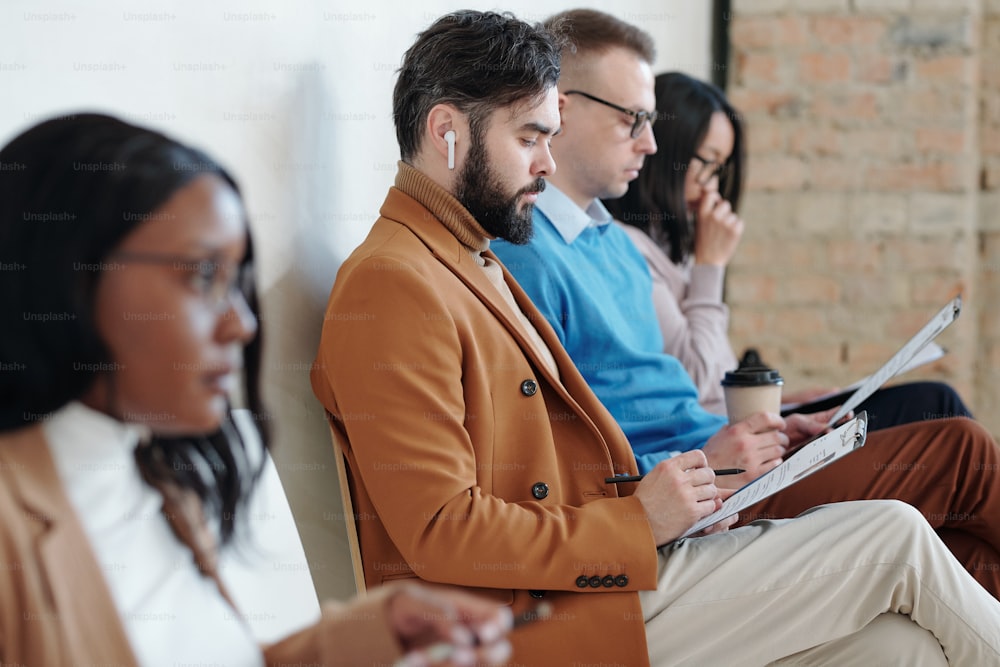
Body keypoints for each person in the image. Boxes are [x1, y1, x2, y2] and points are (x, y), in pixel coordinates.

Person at [310, 9, 1000, 666]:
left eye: (550, 137)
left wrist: (682, 505)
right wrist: (640, 520)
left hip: (592, 575)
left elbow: (546, 476)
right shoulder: (394, 282)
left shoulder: (469, 259)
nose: (547, 163)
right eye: (529, 137)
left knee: (899, 649)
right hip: (529, 622)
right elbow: (441, 529)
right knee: (896, 536)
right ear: (446, 131)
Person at [489, 8, 1000, 600]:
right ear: (564, 109)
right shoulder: (522, 256)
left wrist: (767, 430)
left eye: (651, 121)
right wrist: (707, 457)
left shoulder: (612, 245)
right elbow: (552, 456)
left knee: (966, 552)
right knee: (959, 448)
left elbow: (673, 396)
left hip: (726, 464)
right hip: (699, 492)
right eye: (634, 119)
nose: (650, 142)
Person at [0, 113, 514, 667]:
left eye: (237, 282)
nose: (242, 323)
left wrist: (375, 636)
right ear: (70, 273)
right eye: (202, 276)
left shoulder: (167, 474)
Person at [602, 71, 972, 428]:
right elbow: (696, 383)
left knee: (937, 413)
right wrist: (711, 266)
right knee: (936, 404)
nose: (712, 185)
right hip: (722, 451)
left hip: (745, 431)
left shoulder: (673, 253)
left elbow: (717, 391)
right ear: (665, 151)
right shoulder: (627, 249)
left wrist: (790, 404)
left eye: (720, 168)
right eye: (707, 162)